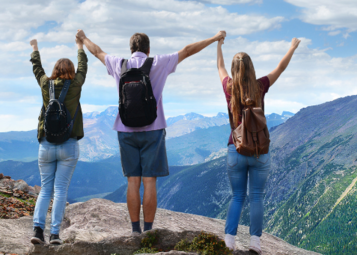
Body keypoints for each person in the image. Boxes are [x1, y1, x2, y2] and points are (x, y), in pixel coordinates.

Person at [77, 29, 226, 234]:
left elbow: (97, 52)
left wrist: (83, 39)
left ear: (131, 49)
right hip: (153, 129)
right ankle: (148, 231)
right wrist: (214, 38)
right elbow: (188, 50)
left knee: (132, 181)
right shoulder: (159, 63)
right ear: (148, 49)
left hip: (125, 129)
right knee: (149, 182)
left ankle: (134, 230)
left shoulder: (118, 64)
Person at [216, 36, 300, 254]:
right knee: (256, 197)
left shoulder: (229, 87)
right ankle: (255, 243)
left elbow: (220, 67)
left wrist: (218, 44)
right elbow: (280, 68)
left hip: (236, 150)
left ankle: (229, 242)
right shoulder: (260, 85)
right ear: (252, 68)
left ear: (235, 70)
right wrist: (291, 47)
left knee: (237, 196)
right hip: (259, 151)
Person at [28, 35, 88, 245]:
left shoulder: (46, 84)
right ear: (71, 72)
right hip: (69, 145)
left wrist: (35, 48)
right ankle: (54, 234)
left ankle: (37, 231)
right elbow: (83, 66)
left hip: (46, 144)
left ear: (55, 71)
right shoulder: (76, 85)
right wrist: (80, 45)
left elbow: (37, 68)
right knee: (60, 190)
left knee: (45, 189)